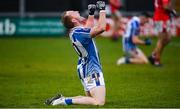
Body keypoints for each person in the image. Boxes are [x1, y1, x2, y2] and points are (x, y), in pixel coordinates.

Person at [44, 1, 106, 106]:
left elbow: (87, 29)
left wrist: (91, 14)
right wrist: (103, 10)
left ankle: (62, 98)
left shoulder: (76, 31)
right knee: (99, 102)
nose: (76, 10)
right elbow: (101, 28)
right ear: (73, 19)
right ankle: (63, 101)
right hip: (92, 68)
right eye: (73, 12)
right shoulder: (79, 33)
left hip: (84, 67)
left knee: (89, 99)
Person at [148, 0, 176, 66]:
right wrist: (172, 11)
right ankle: (156, 61)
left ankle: (153, 55)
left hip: (163, 17)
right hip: (161, 18)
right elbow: (165, 7)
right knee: (161, 40)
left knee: (168, 39)